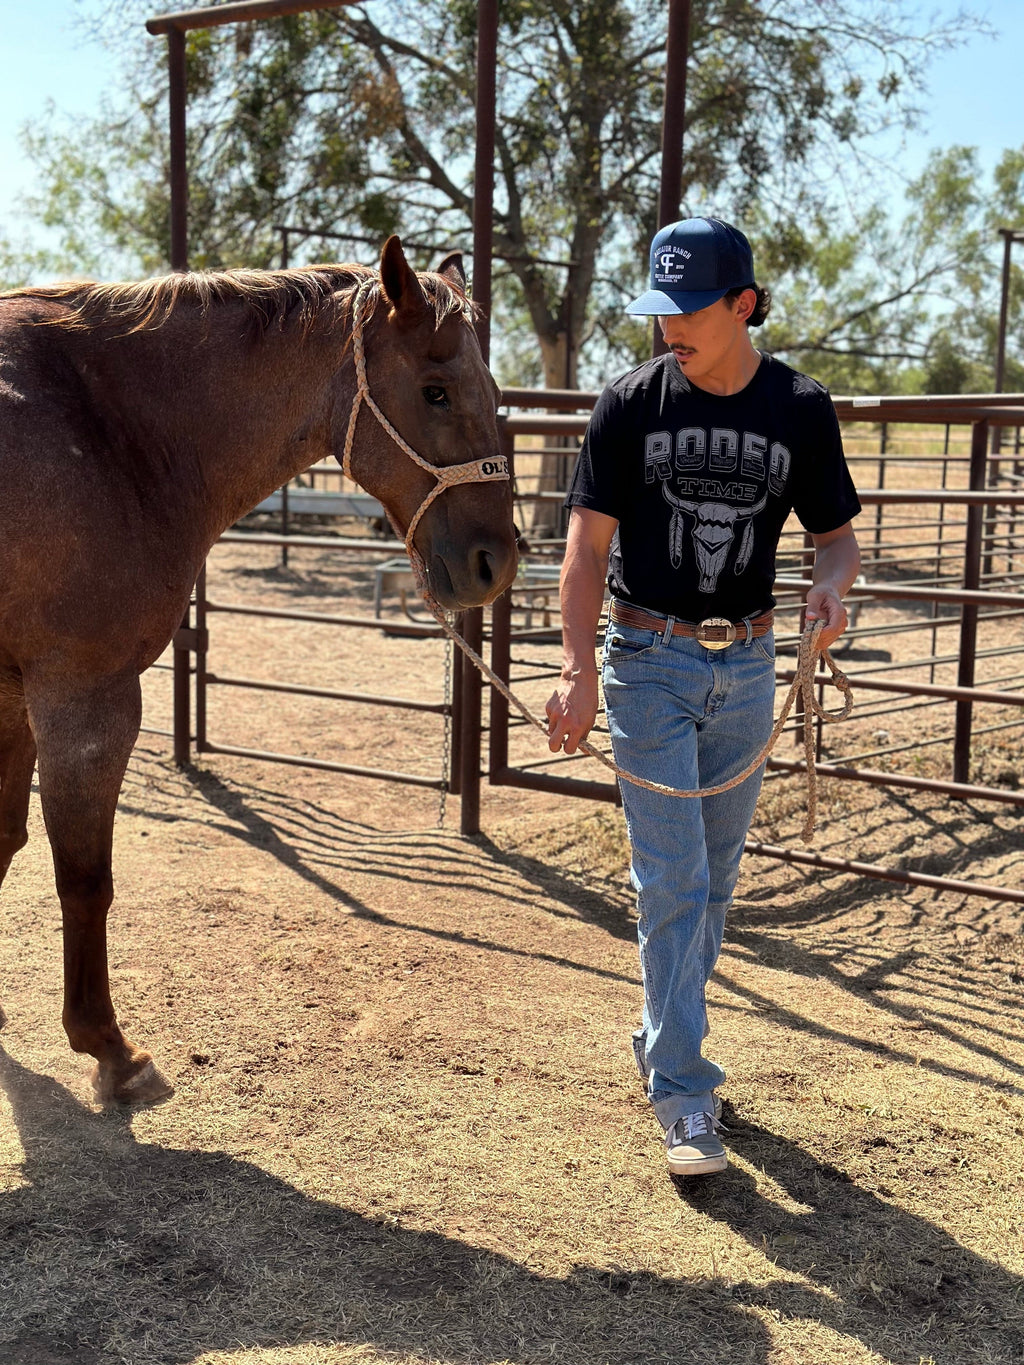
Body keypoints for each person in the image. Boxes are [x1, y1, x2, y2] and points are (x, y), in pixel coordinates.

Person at [545, 217, 861, 1178]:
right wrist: (574, 665)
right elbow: (587, 548)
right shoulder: (629, 406)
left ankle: (658, 1036)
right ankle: (685, 1092)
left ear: (743, 306)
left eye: (688, 310)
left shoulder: (800, 409)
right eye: (660, 310)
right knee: (673, 880)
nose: (668, 327)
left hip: (752, 664)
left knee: (713, 885)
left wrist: (833, 587)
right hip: (649, 658)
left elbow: (838, 534)